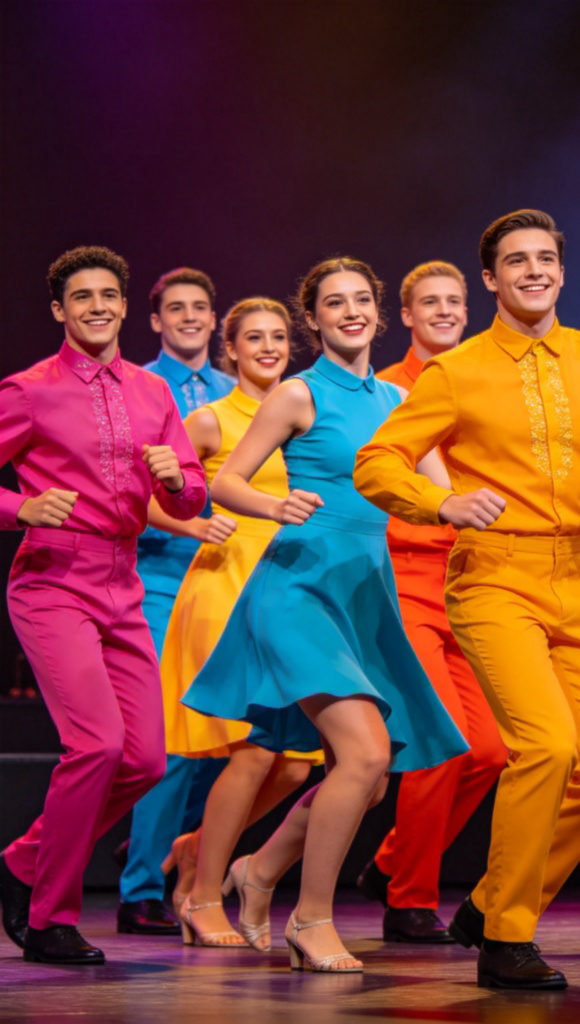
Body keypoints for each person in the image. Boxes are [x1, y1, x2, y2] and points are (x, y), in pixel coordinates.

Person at [353, 210, 580, 990]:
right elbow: (378, 464)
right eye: (516, 260)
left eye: (546, 258)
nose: (533, 270)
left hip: (577, 575)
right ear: (492, 279)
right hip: (493, 577)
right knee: (545, 746)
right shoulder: (457, 370)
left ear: (562, 273)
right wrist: (439, 506)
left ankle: (496, 900)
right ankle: (506, 937)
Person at [182, 256, 467, 972]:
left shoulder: (400, 403)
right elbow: (224, 482)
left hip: (366, 593)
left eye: (361, 300)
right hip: (298, 588)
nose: (351, 312)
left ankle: (260, 871)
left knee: (370, 776)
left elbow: (443, 491)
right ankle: (311, 919)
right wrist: (275, 505)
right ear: (313, 318)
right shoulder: (298, 395)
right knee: (365, 753)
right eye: (334, 303)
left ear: (376, 310)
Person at [0, 246, 206, 964]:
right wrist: (21, 507)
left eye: (108, 295)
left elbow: (192, 491)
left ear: (123, 305)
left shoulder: (153, 393)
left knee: (146, 760)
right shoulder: (28, 389)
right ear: (59, 310)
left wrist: (173, 477)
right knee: (97, 744)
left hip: (124, 582)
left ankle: (25, 860)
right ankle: (50, 916)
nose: (97, 306)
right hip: (54, 579)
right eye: (81, 297)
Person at [156, 298, 318, 949]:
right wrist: (189, 522)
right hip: (225, 589)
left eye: (279, 336)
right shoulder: (210, 419)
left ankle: (197, 847)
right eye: (255, 337)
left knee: (297, 764)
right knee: (253, 750)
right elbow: (145, 494)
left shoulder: (300, 411)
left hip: (286, 591)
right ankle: (201, 896)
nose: (269, 347)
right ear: (233, 348)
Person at [356, 261, 505, 944]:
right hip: (405, 575)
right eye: (428, 303)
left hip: (474, 577)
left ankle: (390, 861)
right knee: (440, 743)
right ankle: (409, 897)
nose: (444, 311)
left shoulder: (485, 379)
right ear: (407, 317)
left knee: (491, 750)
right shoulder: (386, 391)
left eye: (454, 301)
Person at [117, 267, 235, 936]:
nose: (190, 317)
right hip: (161, 579)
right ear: (156, 321)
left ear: (215, 319)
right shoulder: (136, 387)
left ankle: (164, 856)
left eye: (200, 306)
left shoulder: (239, 394)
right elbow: (132, 490)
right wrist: (188, 526)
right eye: (176, 309)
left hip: (227, 579)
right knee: (170, 738)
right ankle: (139, 887)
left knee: (223, 741)